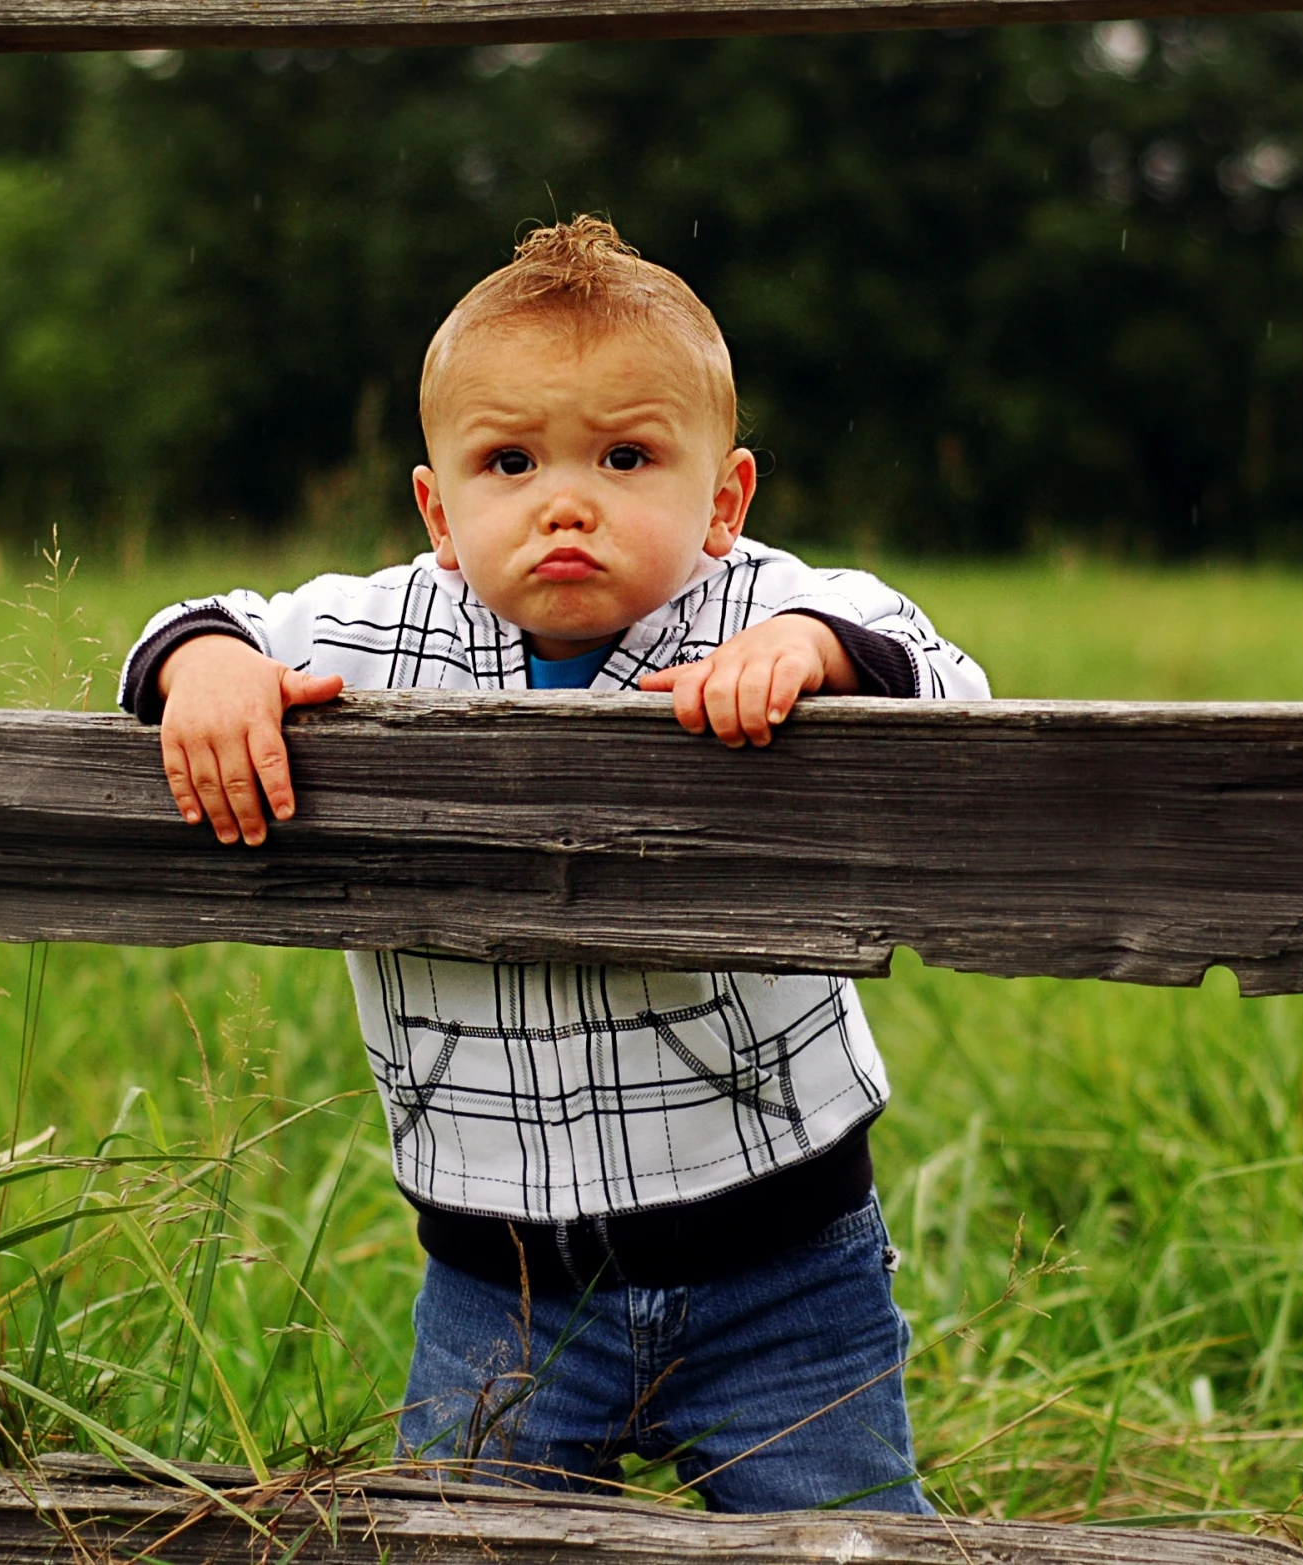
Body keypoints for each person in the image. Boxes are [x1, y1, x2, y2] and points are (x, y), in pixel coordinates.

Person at [119, 215, 989, 1513]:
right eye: (508, 461)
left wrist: (814, 650)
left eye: (626, 457)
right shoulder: (385, 625)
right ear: (436, 505)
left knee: (843, 1537)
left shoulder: (753, 604)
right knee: (463, 1541)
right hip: (497, 1288)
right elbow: (197, 625)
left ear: (723, 501)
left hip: (785, 1262)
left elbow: (949, 682)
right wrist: (208, 669)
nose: (562, 502)